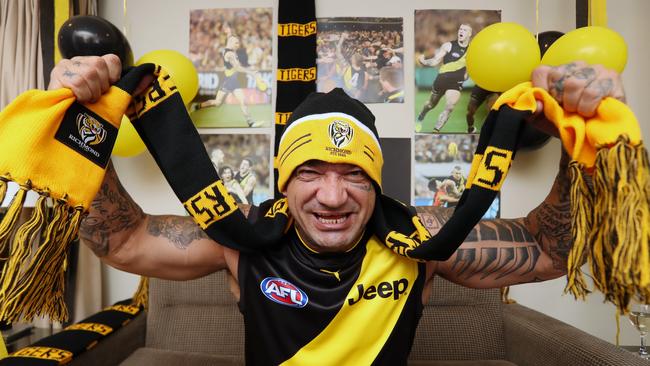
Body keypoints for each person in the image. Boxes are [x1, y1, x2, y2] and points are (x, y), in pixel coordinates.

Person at [49, 54, 625, 365]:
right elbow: (121, 241)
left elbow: (552, 249)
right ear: (283, 182)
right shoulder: (242, 236)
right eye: (310, 172)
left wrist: (580, 140)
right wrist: (85, 125)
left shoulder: (418, 238)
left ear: (377, 184)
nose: (332, 195)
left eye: (354, 174)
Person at [416, 23, 472, 133]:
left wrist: (465, 76)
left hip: (456, 83)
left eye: (464, 30)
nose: (461, 31)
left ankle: (436, 131)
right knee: (430, 104)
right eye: (460, 29)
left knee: (450, 106)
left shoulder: (472, 51)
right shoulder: (448, 45)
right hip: (441, 80)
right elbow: (435, 61)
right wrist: (424, 62)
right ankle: (420, 117)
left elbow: (469, 70)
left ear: (469, 34)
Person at [194, 35, 261, 127]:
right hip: (228, 82)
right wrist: (251, 72)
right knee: (217, 103)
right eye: (236, 43)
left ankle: (250, 122)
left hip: (234, 82)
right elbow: (237, 67)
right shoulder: (230, 54)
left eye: (238, 43)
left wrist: (228, 31)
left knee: (243, 100)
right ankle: (197, 106)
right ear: (231, 42)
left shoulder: (231, 51)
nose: (238, 45)